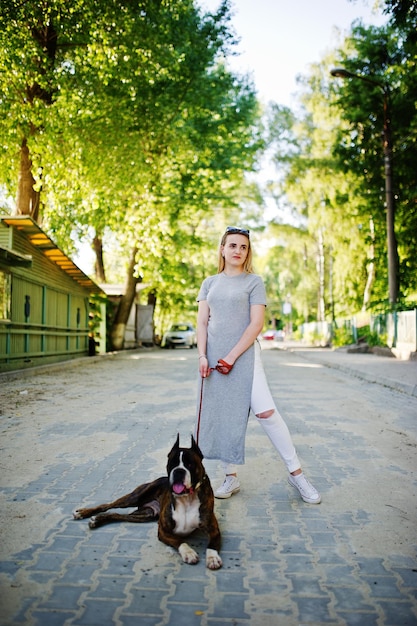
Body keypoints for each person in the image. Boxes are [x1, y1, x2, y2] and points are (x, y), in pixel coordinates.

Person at [194, 226, 321, 504]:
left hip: (245, 357)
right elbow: (202, 322)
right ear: (222, 249)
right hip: (214, 360)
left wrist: (232, 356)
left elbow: (256, 324)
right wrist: (202, 355)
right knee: (225, 416)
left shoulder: (254, 282)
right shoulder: (209, 283)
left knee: (267, 414)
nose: (238, 251)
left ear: (247, 251)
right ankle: (230, 477)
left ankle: (297, 474)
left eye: (243, 247)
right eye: (233, 245)